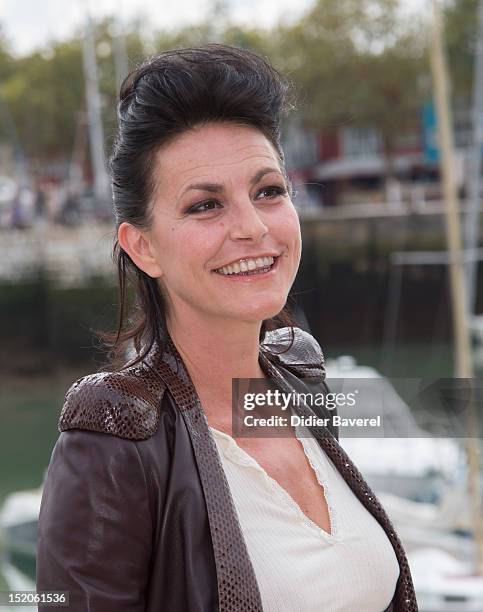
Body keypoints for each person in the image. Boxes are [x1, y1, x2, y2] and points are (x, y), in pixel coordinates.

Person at [36, 44, 418, 611]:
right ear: (143, 247)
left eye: (268, 192)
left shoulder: (301, 373)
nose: (252, 228)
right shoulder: (113, 438)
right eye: (205, 206)